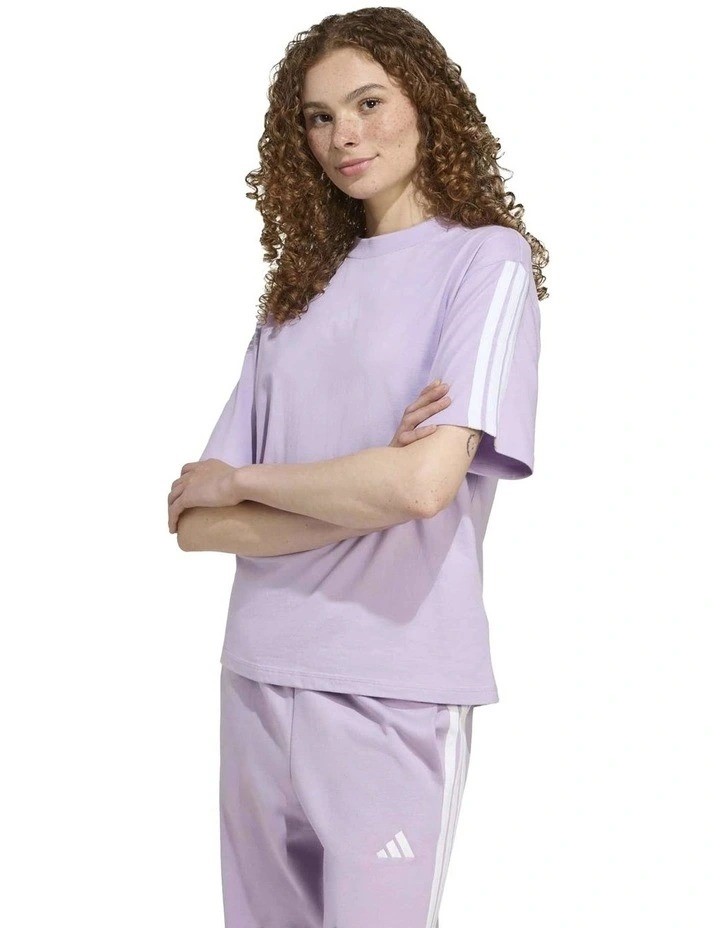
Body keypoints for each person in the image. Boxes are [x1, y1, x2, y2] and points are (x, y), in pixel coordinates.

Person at [167, 8, 549, 927]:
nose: (345, 134)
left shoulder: (485, 263)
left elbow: (420, 487)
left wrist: (250, 481)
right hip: (257, 673)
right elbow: (196, 523)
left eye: (369, 103)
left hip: (394, 684)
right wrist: (363, 483)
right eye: (320, 116)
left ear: (426, 104)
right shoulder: (295, 297)